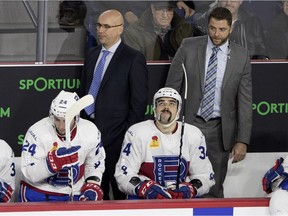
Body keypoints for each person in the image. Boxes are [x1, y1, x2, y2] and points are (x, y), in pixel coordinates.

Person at [165, 7, 252, 198]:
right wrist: (168, 125)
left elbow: (245, 101)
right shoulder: (188, 46)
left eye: (222, 30)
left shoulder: (242, 56)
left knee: (213, 186)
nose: (216, 34)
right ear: (207, 26)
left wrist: (242, 140)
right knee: (178, 183)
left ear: (230, 29)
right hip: (187, 125)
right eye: (212, 28)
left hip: (219, 130)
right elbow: (171, 90)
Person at [79, 9, 148, 200]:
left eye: (107, 26)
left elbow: (139, 102)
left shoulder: (133, 58)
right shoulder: (92, 55)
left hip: (117, 139)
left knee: (119, 194)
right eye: (99, 25)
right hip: (90, 137)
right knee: (93, 193)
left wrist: (127, 136)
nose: (101, 30)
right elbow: (84, 92)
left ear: (120, 29)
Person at [115, 87, 215, 199]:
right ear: (154, 107)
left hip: (181, 199)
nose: (166, 107)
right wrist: (143, 188)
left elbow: (205, 175)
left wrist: (192, 188)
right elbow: (123, 174)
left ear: (179, 109)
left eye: (172, 103)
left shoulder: (194, 134)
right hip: (144, 198)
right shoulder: (137, 132)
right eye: (161, 103)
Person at [19, 90, 106, 202]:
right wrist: (50, 164)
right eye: (57, 119)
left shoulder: (90, 131)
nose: (61, 126)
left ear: (76, 117)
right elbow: (28, 172)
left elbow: (95, 163)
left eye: (66, 121)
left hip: (75, 193)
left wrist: (92, 185)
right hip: (39, 192)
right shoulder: (36, 132)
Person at [193, 0, 269, 59]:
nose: (228, 2)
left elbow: (261, 53)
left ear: (241, 1)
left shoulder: (253, 22)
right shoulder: (202, 22)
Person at [122, 1, 194, 61]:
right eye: (160, 9)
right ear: (152, 8)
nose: (165, 15)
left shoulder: (185, 29)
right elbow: (135, 66)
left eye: (169, 10)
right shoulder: (132, 33)